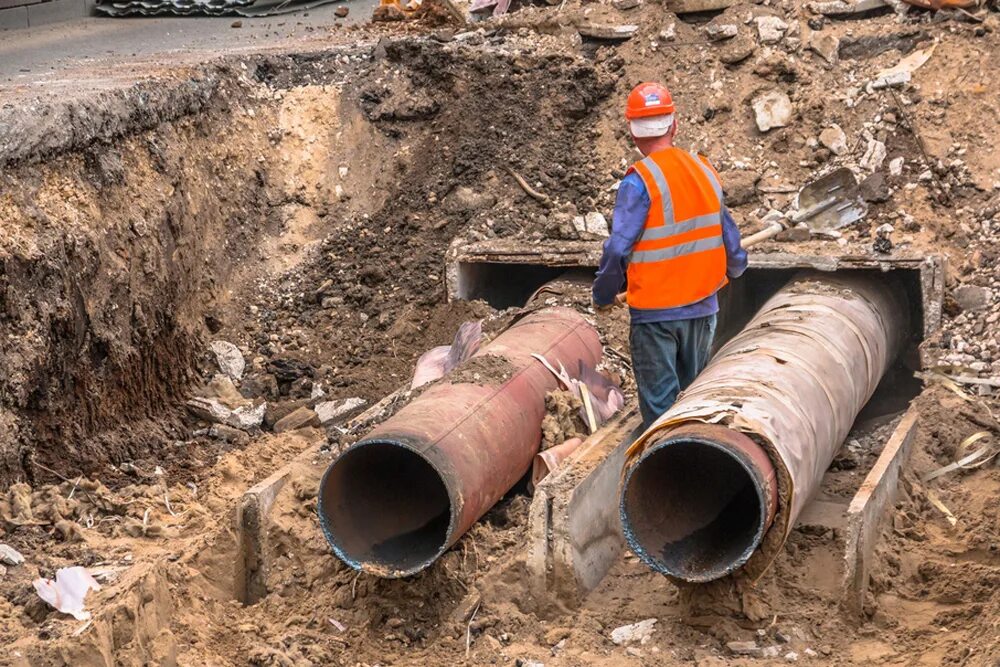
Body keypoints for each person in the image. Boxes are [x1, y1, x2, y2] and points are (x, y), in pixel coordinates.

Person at [593, 82, 748, 429]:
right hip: (703, 307)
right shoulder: (705, 171)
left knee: (661, 408)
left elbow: (618, 247)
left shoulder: (639, 182)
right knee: (693, 398)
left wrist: (603, 293)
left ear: (632, 133)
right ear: (674, 125)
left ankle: (666, 469)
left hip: (656, 317)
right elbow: (729, 236)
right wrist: (737, 267)